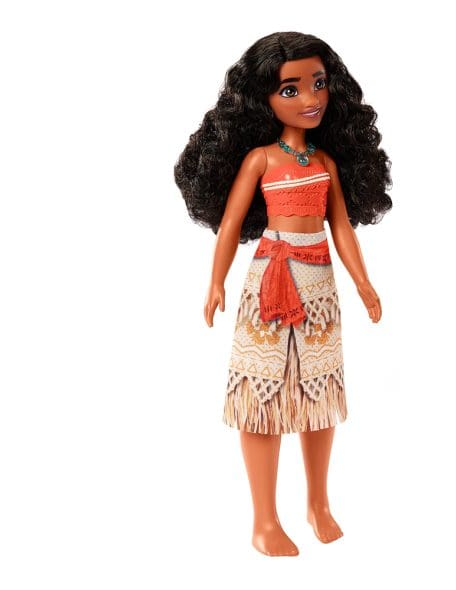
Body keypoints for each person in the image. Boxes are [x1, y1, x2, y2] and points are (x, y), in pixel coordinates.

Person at [174, 31, 392, 557]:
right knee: (263, 392)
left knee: (320, 390)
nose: (311, 98)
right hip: (271, 280)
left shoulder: (325, 163)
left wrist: (363, 282)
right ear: (262, 99)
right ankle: (265, 520)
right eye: (290, 89)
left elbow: (341, 227)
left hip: (319, 285)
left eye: (318, 83)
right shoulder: (261, 160)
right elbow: (230, 224)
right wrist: (216, 279)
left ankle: (318, 502)